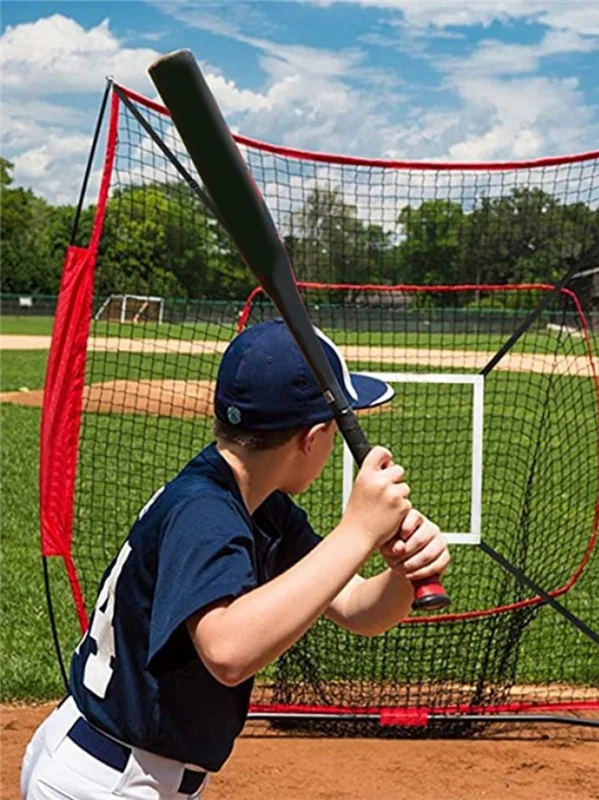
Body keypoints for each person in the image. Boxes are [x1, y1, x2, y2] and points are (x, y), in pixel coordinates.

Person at [21, 319, 450, 799]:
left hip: (124, 768)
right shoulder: (205, 512)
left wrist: (401, 572)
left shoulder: (258, 505)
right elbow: (228, 652)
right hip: (107, 781)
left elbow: (356, 609)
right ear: (312, 437)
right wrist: (356, 532)